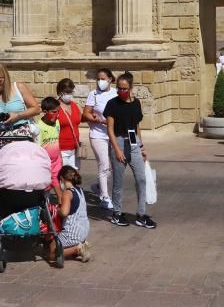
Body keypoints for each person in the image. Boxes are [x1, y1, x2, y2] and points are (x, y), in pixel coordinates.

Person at [105, 73, 156, 229]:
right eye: (119, 88)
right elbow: (110, 129)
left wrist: (141, 147)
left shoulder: (136, 104)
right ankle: (117, 213)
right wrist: (117, 150)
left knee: (141, 179)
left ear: (131, 88)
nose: (121, 91)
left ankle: (141, 215)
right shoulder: (112, 104)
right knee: (119, 182)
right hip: (118, 141)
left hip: (133, 141)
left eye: (124, 88)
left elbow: (135, 127)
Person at [82, 68, 117, 210]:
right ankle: (104, 197)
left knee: (113, 167)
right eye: (98, 78)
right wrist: (98, 120)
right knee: (104, 165)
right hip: (98, 134)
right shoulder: (93, 94)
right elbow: (86, 114)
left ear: (110, 79)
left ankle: (98, 186)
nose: (99, 81)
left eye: (102, 78)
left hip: (113, 135)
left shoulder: (115, 93)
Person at [48, 166, 91, 265]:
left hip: (73, 232)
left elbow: (64, 212)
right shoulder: (80, 190)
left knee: (52, 253)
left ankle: (78, 249)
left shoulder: (67, 193)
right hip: (84, 230)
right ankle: (80, 244)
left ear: (62, 179)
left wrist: (56, 209)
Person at [55, 78, 82, 171]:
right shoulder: (55, 107)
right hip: (62, 149)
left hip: (75, 148)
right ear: (60, 92)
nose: (69, 94)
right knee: (64, 179)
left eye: (71, 92)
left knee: (74, 177)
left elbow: (78, 120)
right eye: (67, 92)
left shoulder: (74, 105)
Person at [35, 96, 63, 184]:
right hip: (45, 163)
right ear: (45, 112)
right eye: (54, 112)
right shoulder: (39, 127)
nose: (57, 114)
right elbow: (38, 148)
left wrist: (60, 157)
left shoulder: (57, 123)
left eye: (58, 111)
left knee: (57, 181)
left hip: (57, 161)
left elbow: (57, 140)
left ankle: (61, 197)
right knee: (46, 186)